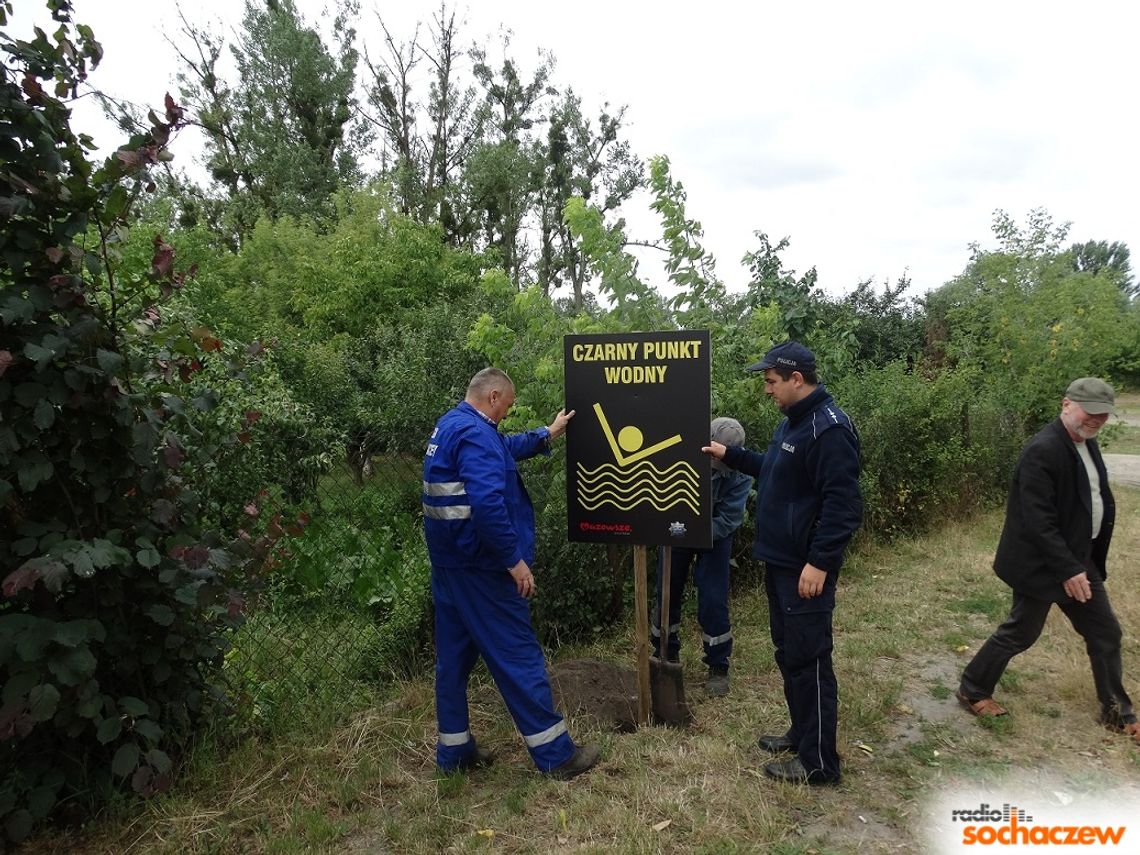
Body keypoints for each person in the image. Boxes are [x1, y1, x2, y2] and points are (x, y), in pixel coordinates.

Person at [422, 367, 601, 778]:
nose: (509, 410)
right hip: (483, 570)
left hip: (450, 568)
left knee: (452, 663)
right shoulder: (475, 433)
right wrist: (514, 561)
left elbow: (501, 448)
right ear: (494, 396)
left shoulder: (454, 425)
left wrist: (547, 433)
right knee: (518, 655)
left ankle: (455, 752)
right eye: (509, 404)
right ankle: (556, 755)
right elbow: (487, 505)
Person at [703, 341, 862, 786]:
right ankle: (801, 733)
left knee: (810, 660)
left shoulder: (828, 430)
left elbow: (844, 506)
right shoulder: (794, 423)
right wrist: (728, 455)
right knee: (789, 654)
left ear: (797, 379)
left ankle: (818, 764)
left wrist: (820, 562)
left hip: (803, 570)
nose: (767, 390)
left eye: (771, 381)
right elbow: (775, 471)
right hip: (780, 563)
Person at [956, 378, 1139, 743]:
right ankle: (973, 688)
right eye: (1091, 411)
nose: (1097, 420)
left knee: (1104, 632)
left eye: (1104, 414)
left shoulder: (1086, 442)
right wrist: (1068, 569)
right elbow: (1039, 520)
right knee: (1021, 632)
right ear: (1067, 404)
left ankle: (1118, 712)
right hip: (1043, 563)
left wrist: (1079, 561)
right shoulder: (1043, 449)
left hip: (1076, 558)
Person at [652, 417, 753, 697]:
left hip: (715, 536)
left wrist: (696, 532)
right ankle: (664, 654)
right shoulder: (679, 451)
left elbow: (730, 518)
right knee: (666, 593)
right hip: (675, 529)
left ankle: (718, 665)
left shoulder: (741, 473)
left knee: (712, 598)